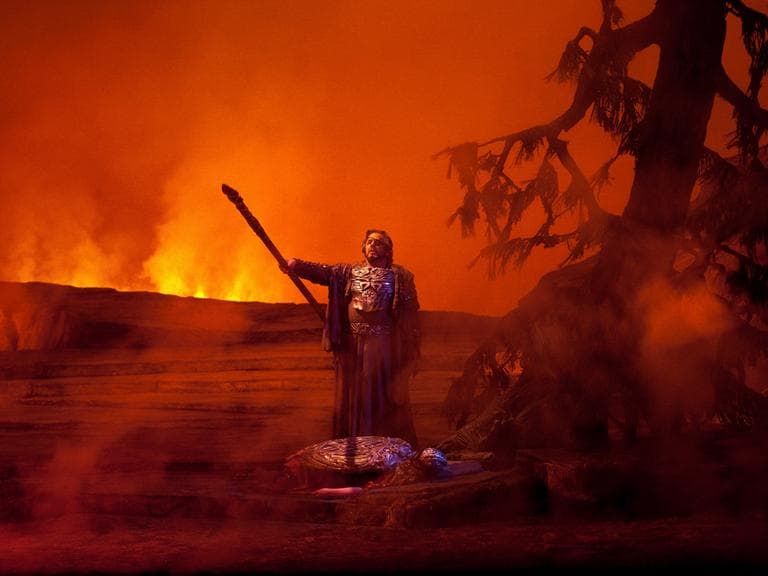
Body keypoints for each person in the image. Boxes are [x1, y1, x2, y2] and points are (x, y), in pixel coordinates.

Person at [282, 229, 420, 447]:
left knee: (380, 393)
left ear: (388, 250)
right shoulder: (348, 272)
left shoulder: (400, 277)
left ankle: (381, 444)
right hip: (353, 345)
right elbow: (324, 272)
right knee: (353, 393)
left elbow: (411, 315)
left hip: (383, 345)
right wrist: (296, 265)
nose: (373, 245)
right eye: (369, 242)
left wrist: (409, 350)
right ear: (363, 247)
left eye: (379, 242)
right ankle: (353, 444)